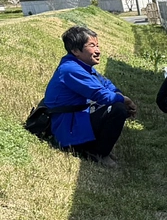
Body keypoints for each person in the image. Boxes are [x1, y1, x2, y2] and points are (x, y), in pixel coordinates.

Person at [43, 25, 137, 167]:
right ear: (75, 50)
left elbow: (106, 84)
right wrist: (124, 100)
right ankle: (98, 152)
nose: (98, 50)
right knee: (117, 109)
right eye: (92, 46)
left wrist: (118, 94)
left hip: (78, 116)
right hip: (69, 126)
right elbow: (101, 95)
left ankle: (94, 146)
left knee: (116, 105)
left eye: (97, 45)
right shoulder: (71, 69)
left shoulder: (81, 65)